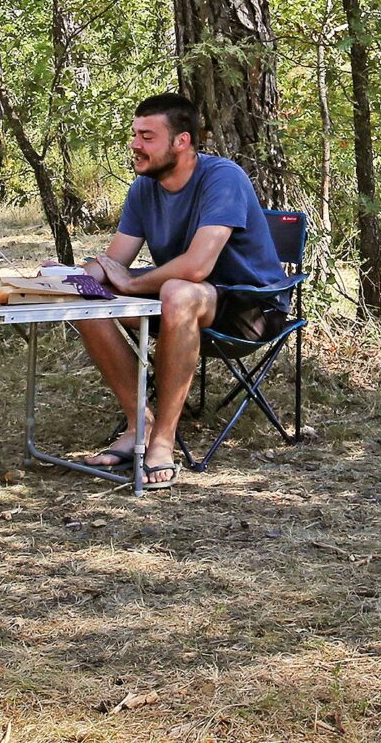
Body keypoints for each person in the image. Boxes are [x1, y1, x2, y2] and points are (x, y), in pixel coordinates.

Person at [75, 92, 291, 489]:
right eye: (134, 134)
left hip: (251, 308)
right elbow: (113, 263)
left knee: (177, 290)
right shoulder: (143, 188)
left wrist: (132, 283)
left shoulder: (222, 178)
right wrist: (72, 277)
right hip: (181, 302)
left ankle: (163, 440)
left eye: (147, 137)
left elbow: (196, 267)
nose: (135, 144)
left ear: (182, 141)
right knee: (87, 296)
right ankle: (139, 424)